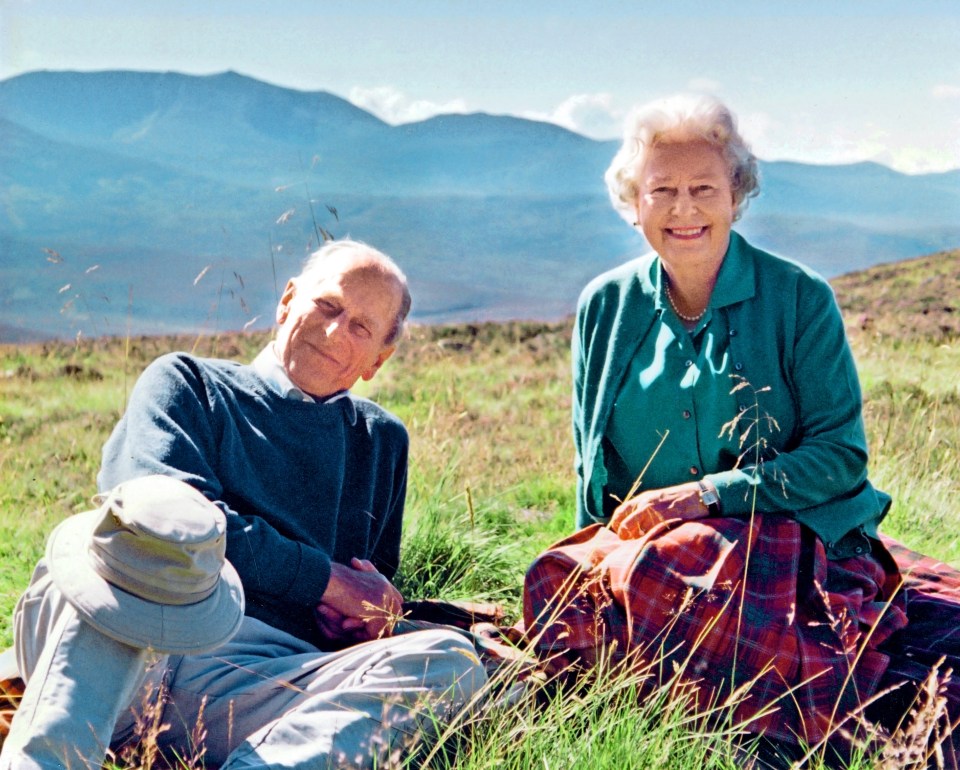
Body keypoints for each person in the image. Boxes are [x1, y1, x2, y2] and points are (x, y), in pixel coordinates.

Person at [522, 95, 958, 760]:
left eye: (704, 188)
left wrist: (704, 497)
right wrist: (593, 551)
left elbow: (840, 458)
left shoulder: (798, 297)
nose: (683, 209)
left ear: (737, 196)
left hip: (784, 528)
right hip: (654, 543)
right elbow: (594, 464)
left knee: (655, 576)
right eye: (660, 190)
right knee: (554, 580)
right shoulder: (603, 306)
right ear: (631, 201)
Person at [1, 239, 487, 769]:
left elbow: (362, 592)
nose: (333, 331)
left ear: (378, 360)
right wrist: (325, 581)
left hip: (251, 684)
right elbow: (161, 521)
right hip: (120, 640)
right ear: (287, 301)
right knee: (107, 546)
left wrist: (361, 621)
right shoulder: (187, 383)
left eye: (360, 327)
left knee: (451, 663)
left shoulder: (380, 441)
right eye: (327, 306)